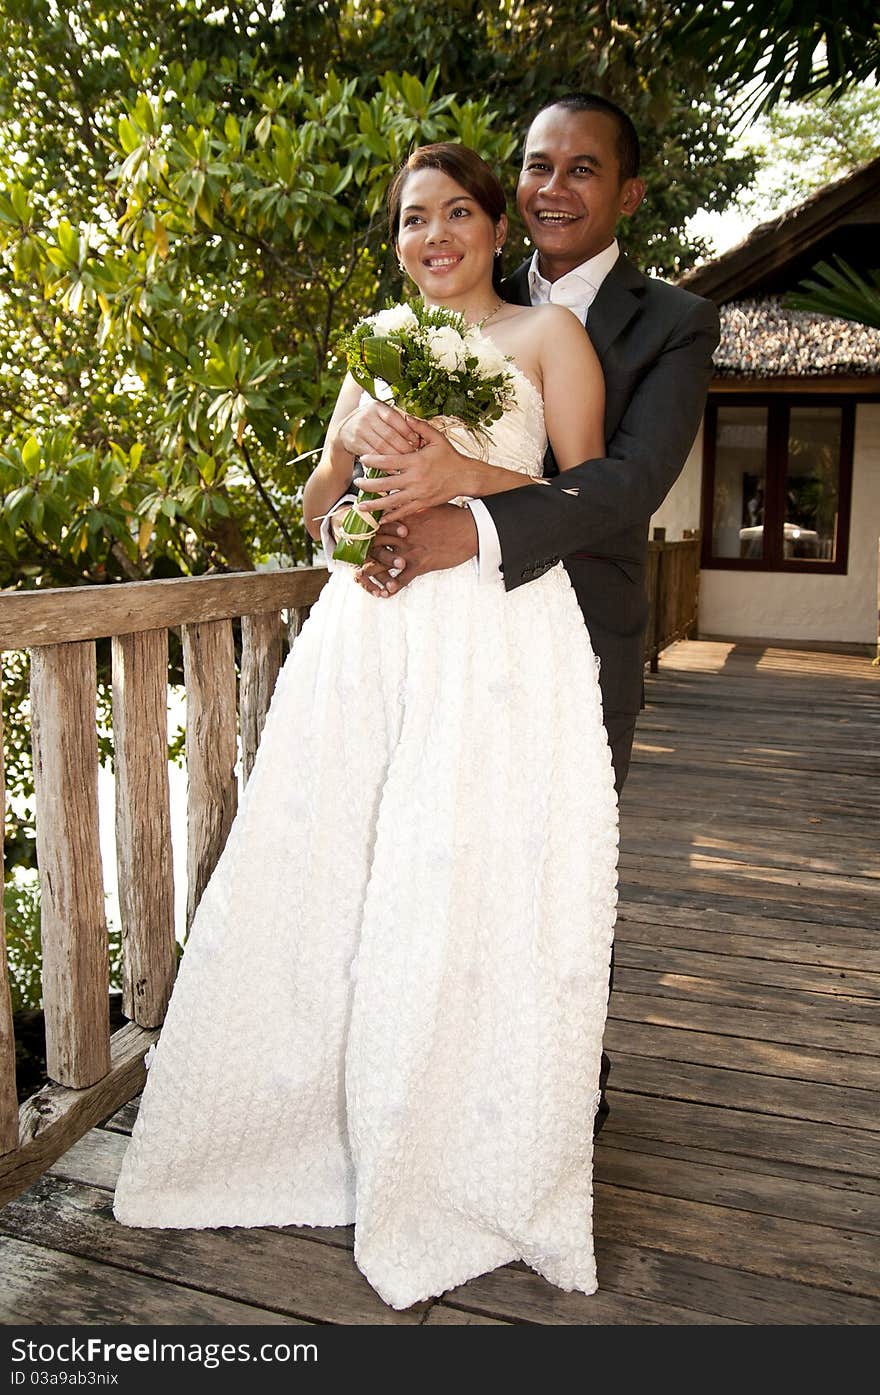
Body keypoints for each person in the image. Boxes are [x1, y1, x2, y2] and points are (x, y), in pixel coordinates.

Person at [113, 143, 619, 1312]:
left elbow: (588, 501)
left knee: (463, 878)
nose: (430, 237)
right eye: (408, 220)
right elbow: (318, 502)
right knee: (328, 866)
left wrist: (457, 475)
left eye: (453, 213)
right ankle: (305, 1134)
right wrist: (350, 483)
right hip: (370, 633)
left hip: (493, 635)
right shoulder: (372, 348)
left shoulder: (548, 341)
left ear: (498, 227)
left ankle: (454, 1155)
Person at [327, 94, 721, 1135]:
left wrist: (471, 519)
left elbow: (627, 484)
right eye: (537, 165)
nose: (554, 186)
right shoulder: (418, 322)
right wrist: (358, 534)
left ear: (626, 192)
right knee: (414, 852)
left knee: (550, 866)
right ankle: (408, 1072)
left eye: (582, 168)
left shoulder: (675, 322)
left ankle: (541, 1092)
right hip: (413, 631)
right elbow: (333, 483)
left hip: (572, 629)